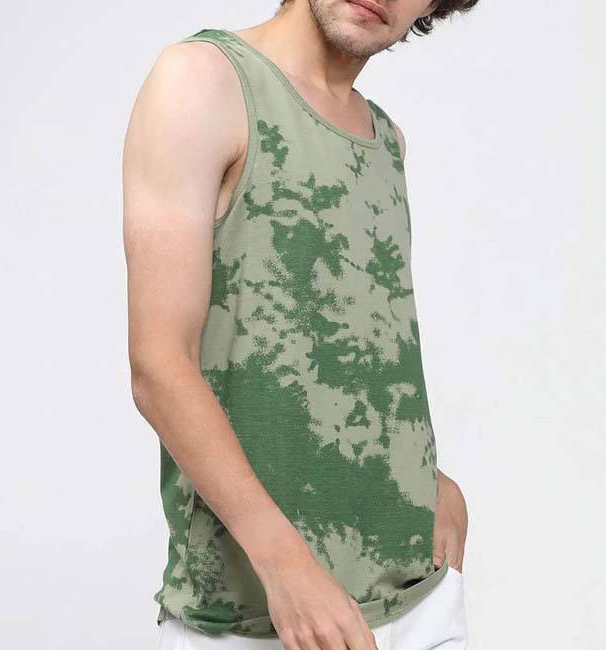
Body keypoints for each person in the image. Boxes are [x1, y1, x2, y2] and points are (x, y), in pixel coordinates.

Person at [122, 1, 478, 648]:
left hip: (416, 598)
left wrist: (428, 480)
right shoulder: (202, 80)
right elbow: (159, 367)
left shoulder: (387, 140)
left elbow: (361, 341)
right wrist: (285, 564)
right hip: (262, 614)